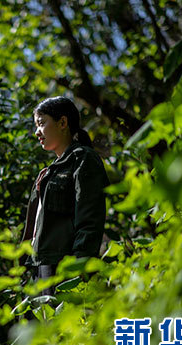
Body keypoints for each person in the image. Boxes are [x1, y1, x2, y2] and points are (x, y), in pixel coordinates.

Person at [19, 96, 109, 297]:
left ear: (62, 123)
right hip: (41, 268)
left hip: (64, 267)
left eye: (41, 123)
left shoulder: (83, 159)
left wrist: (79, 269)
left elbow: (90, 221)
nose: (37, 132)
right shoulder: (47, 172)